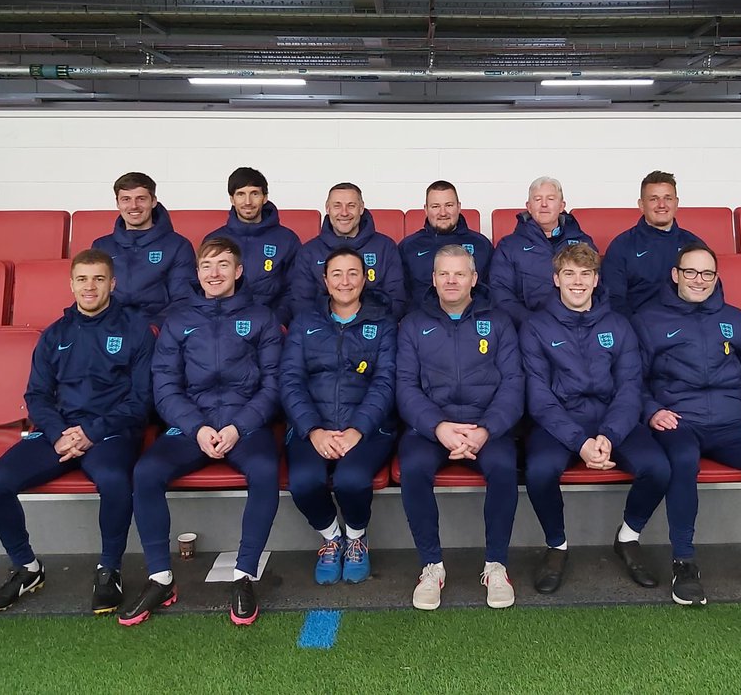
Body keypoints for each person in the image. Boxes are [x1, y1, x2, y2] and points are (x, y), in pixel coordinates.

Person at [0, 249, 154, 614]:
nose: (90, 287)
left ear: (113, 283)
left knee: (113, 479)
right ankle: (26, 567)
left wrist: (90, 432)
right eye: (82, 279)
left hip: (111, 432)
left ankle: (110, 569)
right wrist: (60, 432)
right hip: (59, 432)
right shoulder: (54, 334)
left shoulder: (136, 331)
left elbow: (141, 401)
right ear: (71, 284)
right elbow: (37, 395)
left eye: (98, 278)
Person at [119, 237, 282, 627]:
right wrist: (197, 427)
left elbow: (273, 384)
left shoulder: (261, 317)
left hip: (244, 424)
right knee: (145, 472)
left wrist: (237, 426)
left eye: (224, 265)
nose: (214, 273)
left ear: (239, 271)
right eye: (207, 265)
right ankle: (160, 577)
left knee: (265, 471)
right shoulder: (178, 320)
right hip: (192, 425)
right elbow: (165, 386)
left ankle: (244, 574)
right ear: (197, 273)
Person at [635, 243, 741, 606]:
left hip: (730, 424)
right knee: (681, 460)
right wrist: (652, 410)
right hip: (680, 420)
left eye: (707, 273)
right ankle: (684, 560)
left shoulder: (733, 319)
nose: (699, 280)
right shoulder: (650, 319)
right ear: (675, 275)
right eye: (691, 272)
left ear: (716, 278)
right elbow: (632, 378)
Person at [520, 244, 670, 594]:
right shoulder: (536, 326)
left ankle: (628, 537)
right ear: (556, 279)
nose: (577, 282)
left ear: (596, 279)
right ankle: (556, 546)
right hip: (559, 423)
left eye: (585, 274)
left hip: (612, 420)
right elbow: (538, 396)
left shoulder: (617, 324)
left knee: (659, 468)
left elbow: (630, 387)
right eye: (569, 274)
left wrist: (609, 435)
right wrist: (581, 442)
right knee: (540, 471)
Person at [396, 245, 524, 611]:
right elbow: (405, 387)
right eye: (444, 274)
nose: (451, 280)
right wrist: (439, 428)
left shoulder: (498, 322)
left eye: (459, 273)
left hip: (487, 426)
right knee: (414, 468)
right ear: (433, 279)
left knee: (503, 468)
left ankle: (496, 565)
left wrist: (485, 429)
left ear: (474, 279)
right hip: (432, 429)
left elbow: (514, 384)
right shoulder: (413, 324)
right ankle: (431, 566)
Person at [281, 248, 397, 585]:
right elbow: (290, 381)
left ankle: (357, 537)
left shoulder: (383, 323)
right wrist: (313, 430)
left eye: (352, 273)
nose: (345, 281)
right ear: (325, 280)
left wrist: (357, 429)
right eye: (336, 274)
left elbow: (386, 381)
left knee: (351, 480)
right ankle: (332, 537)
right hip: (312, 426)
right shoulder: (304, 323)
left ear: (365, 278)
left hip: (368, 428)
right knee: (303, 483)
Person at [92, 171, 195, 323]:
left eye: (141, 199)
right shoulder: (101, 246)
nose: (134, 206)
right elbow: (93, 295)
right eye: (126, 199)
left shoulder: (178, 245)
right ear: (118, 203)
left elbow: (183, 300)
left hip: (156, 330)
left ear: (153, 201)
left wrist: (151, 329)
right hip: (109, 327)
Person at [291, 182, 406, 318]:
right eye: (337, 206)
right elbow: (301, 304)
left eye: (351, 206)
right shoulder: (309, 251)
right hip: (323, 331)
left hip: (373, 328)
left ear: (361, 208)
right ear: (327, 209)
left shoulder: (385, 247)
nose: (344, 213)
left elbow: (396, 301)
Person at [491, 176, 595, 325]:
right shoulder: (509, 246)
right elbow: (501, 294)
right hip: (528, 327)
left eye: (551, 199)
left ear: (561, 206)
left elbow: (599, 288)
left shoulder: (583, 243)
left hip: (578, 325)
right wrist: (532, 322)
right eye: (538, 199)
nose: (544, 204)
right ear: (529, 206)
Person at [205, 167, 300, 325]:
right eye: (241, 194)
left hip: (270, 325)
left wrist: (275, 322)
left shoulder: (287, 239)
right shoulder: (214, 240)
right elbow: (203, 289)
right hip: (222, 325)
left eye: (254, 194)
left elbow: (294, 290)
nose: (248, 202)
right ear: (232, 199)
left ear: (264, 198)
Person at [602, 171, 702, 317]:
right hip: (640, 329)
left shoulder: (694, 245)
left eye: (668, 198)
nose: (662, 205)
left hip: (688, 326)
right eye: (653, 199)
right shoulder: (621, 246)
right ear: (641, 205)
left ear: (676, 203)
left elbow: (710, 292)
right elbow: (614, 301)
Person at [398, 180, 493, 311]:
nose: (443, 213)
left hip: (470, 321)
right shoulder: (408, 247)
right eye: (435, 206)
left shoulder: (481, 244)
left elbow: (491, 292)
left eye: (449, 205)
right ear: (425, 209)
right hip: (422, 323)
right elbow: (401, 296)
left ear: (459, 207)